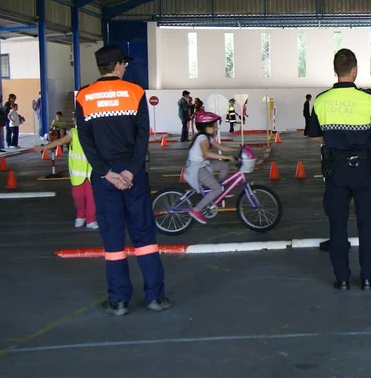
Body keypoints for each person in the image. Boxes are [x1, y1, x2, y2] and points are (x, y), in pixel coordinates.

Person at [76, 44, 170, 316]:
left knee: (113, 239)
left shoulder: (84, 96)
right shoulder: (135, 92)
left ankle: (118, 300)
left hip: (104, 178)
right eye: (124, 64)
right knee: (144, 236)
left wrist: (106, 172)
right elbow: (143, 136)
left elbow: (86, 140)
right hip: (133, 175)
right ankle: (155, 297)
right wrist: (130, 170)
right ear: (117, 65)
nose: (126, 67)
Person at [307, 48, 371, 291]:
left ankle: (341, 279)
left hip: (335, 168)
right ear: (354, 70)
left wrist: (333, 143)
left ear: (336, 70)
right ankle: (367, 277)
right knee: (366, 224)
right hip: (363, 167)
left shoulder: (321, 100)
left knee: (337, 224)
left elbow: (314, 136)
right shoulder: (367, 99)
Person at [33, 127, 99, 230]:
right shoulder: (74, 133)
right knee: (78, 197)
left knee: (92, 198)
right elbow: (59, 141)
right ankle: (81, 216)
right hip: (78, 175)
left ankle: (91, 219)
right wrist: (43, 147)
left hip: (93, 173)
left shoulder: (98, 131)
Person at [184, 112, 239, 224]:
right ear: (206, 126)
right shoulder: (202, 138)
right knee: (216, 189)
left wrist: (236, 150)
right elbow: (207, 153)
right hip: (196, 169)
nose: (216, 127)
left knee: (223, 165)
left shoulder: (207, 137)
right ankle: (196, 210)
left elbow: (221, 147)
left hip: (202, 165)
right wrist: (226, 156)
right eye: (214, 126)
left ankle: (220, 190)